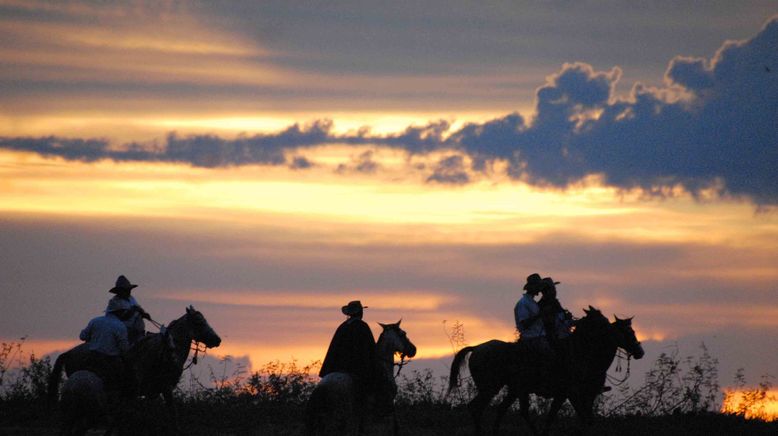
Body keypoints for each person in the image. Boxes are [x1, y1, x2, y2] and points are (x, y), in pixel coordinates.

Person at [319, 300, 377, 400]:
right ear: (360, 312)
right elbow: (371, 349)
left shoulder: (342, 326)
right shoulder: (363, 326)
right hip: (356, 368)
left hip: (336, 366)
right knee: (373, 384)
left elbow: (333, 348)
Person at [79, 297, 132, 395]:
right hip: (110, 361)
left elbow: (82, 336)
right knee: (126, 379)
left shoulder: (95, 321)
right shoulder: (120, 326)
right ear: (120, 312)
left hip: (92, 358)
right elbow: (124, 349)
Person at [106, 275, 151, 345]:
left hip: (136, 332)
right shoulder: (114, 302)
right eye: (126, 290)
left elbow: (138, 308)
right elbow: (123, 317)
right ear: (120, 291)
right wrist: (133, 310)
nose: (129, 292)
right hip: (122, 332)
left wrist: (144, 314)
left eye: (129, 290)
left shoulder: (131, 298)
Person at [514, 273, 546, 342]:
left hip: (537, 338)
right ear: (533, 287)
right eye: (538, 286)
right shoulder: (523, 303)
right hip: (531, 339)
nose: (539, 289)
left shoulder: (531, 302)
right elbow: (524, 324)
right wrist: (540, 315)